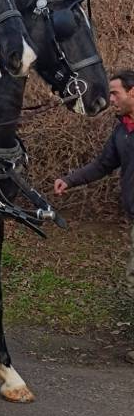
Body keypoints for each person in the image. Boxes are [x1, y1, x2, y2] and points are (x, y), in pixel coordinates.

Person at [54, 69, 134, 364]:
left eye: (115, 93)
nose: (111, 99)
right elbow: (103, 165)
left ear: (133, 92)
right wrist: (70, 179)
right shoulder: (122, 130)